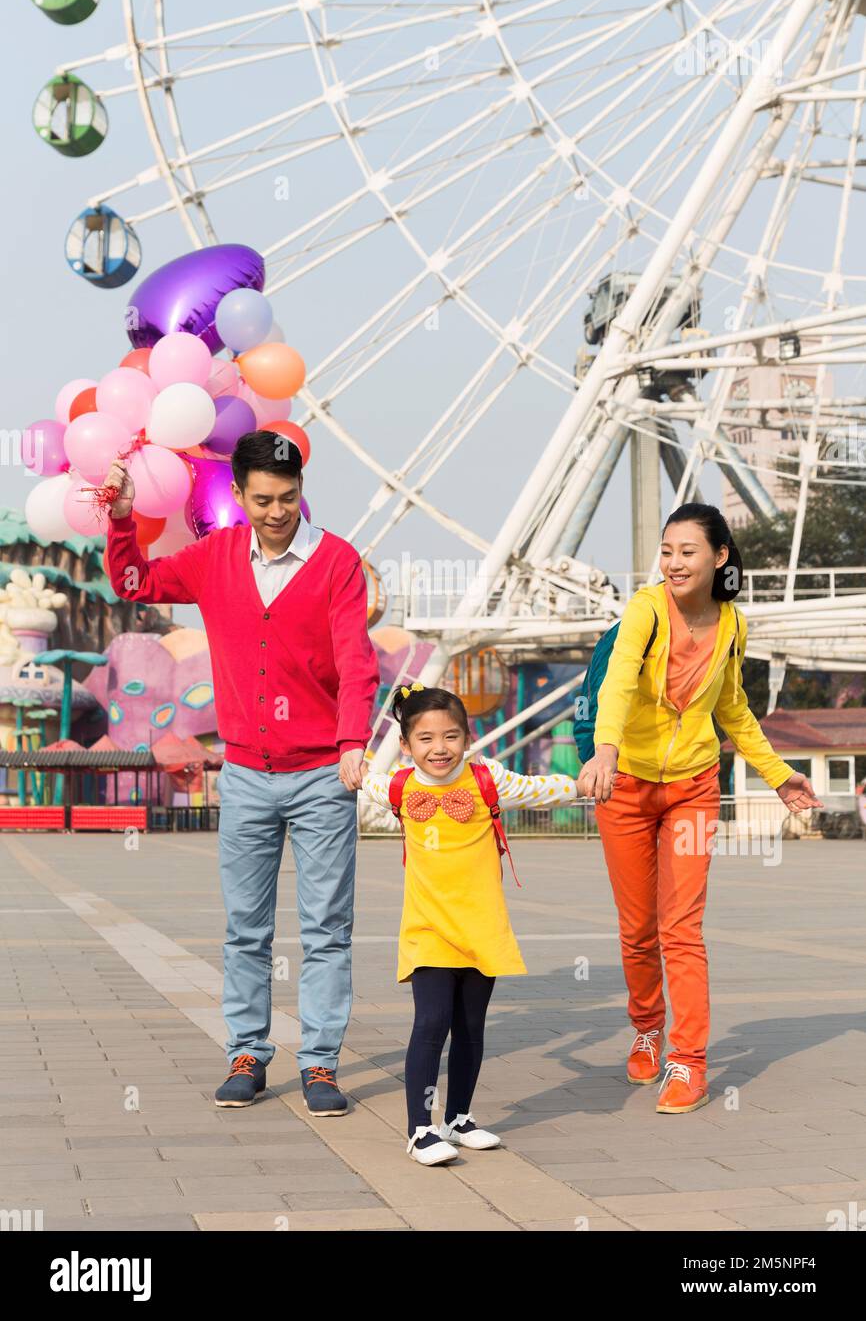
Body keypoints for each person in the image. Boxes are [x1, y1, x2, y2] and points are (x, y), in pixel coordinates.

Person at [101, 430, 380, 1116]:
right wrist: (120, 520)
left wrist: (352, 742)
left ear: (301, 493)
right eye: (262, 500)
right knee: (246, 926)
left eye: (287, 498)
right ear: (239, 495)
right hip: (248, 773)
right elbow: (135, 582)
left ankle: (320, 1064)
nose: (277, 512)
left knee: (326, 928)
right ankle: (247, 1052)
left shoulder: (336, 562)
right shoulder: (216, 557)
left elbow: (357, 659)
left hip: (322, 774)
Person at [578, 503, 822, 1114]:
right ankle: (646, 1027)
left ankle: (689, 1062)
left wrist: (778, 776)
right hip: (626, 784)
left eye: (687, 551)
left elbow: (733, 709)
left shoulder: (734, 625)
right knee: (638, 932)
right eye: (667, 550)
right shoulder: (645, 608)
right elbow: (619, 684)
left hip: (693, 787)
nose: (674, 562)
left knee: (681, 930)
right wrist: (605, 750)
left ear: (718, 557)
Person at [361, 682, 579, 1164]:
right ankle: (421, 1130)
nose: (440, 748)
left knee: (471, 1027)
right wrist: (347, 762)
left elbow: (538, 789)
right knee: (431, 1024)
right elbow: (360, 779)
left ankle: (459, 1118)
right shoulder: (396, 785)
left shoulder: (488, 780)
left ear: (467, 738)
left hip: (482, 929)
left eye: (452, 736)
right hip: (428, 930)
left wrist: (584, 784)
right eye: (426, 739)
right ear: (405, 745)